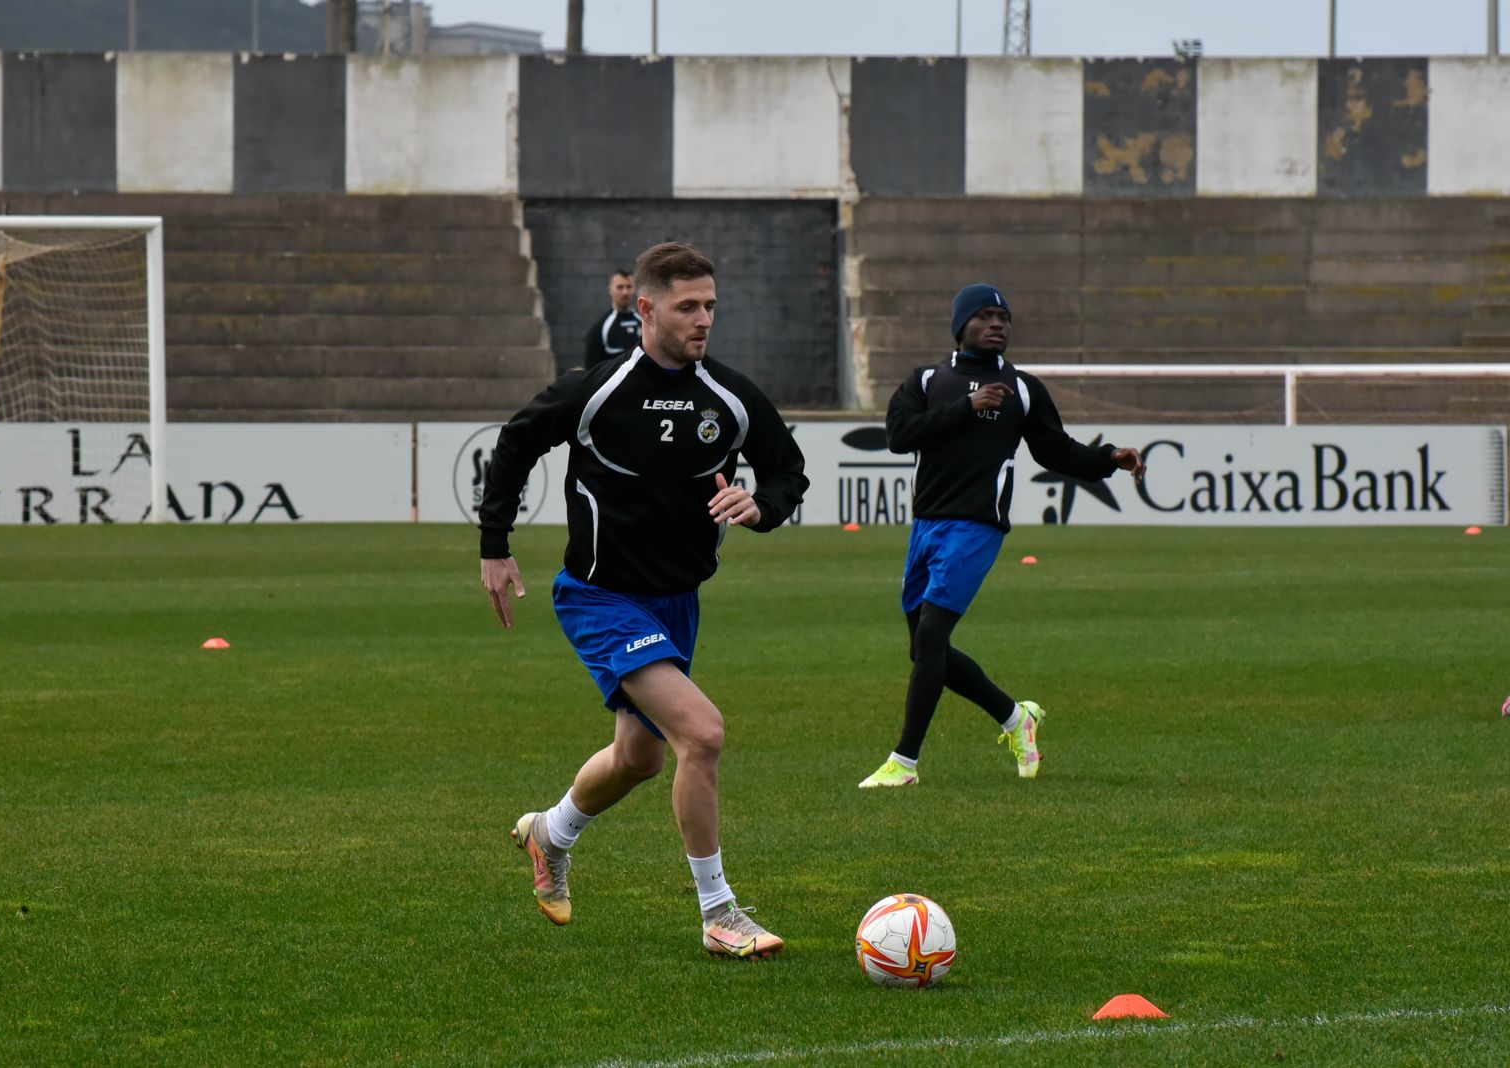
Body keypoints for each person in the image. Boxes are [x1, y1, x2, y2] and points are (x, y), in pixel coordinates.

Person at [480, 241, 808, 959]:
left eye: (711, 307)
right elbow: (515, 441)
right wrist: (495, 545)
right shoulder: (597, 389)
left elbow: (789, 472)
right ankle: (720, 912)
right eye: (688, 307)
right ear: (647, 308)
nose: (703, 320)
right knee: (704, 734)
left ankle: (550, 833)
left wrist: (762, 505)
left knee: (640, 757)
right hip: (600, 597)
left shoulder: (730, 396)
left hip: (677, 602)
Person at [858, 283, 1145, 789]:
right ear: (961, 325)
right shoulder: (927, 380)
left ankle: (903, 763)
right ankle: (1017, 718)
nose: (997, 325)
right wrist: (966, 408)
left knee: (930, 637)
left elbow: (1057, 451)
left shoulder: (1024, 389)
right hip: (926, 524)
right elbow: (899, 437)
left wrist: (1109, 458)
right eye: (985, 316)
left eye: (1004, 317)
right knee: (926, 651)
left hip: (977, 527)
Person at [583, 268, 642, 369]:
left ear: (634, 289)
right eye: (620, 287)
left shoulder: (644, 322)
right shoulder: (600, 328)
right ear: (610, 289)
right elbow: (591, 371)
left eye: (629, 287)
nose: (625, 292)